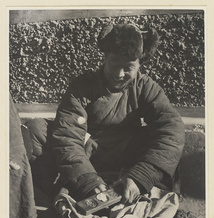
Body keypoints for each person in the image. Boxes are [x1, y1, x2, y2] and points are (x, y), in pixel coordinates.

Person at [27, 23, 185, 205]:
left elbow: (171, 128)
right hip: (87, 153)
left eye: (128, 67)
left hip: (126, 155)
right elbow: (67, 135)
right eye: (114, 64)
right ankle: (55, 197)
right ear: (105, 58)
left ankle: (141, 191)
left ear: (140, 64)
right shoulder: (82, 86)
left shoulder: (146, 87)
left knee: (170, 136)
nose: (119, 74)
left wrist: (141, 176)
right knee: (37, 129)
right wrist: (87, 179)